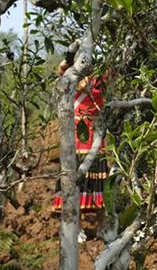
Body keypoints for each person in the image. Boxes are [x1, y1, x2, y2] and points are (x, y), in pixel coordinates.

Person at [52, 61, 108, 242]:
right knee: (74, 181)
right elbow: (61, 67)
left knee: (99, 182)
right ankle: (76, 228)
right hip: (75, 136)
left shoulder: (100, 77)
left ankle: (101, 227)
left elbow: (114, 71)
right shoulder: (70, 77)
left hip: (95, 136)